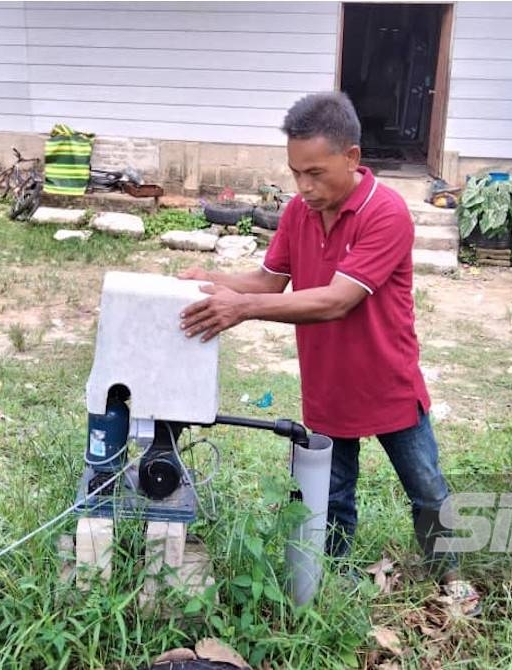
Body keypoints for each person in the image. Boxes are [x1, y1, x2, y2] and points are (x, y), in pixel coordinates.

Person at [177, 92, 480, 616]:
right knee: (332, 498)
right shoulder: (298, 212)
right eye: (296, 173)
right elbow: (270, 281)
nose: (304, 187)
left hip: (388, 382)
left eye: (315, 173)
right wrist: (212, 280)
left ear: (353, 158)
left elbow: (339, 300)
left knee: (427, 489)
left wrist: (244, 308)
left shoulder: (386, 214)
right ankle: (331, 584)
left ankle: (451, 574)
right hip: (327, 384)